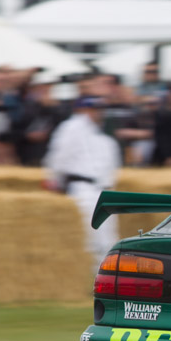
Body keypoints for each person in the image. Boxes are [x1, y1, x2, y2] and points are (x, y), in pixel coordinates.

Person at [42, 97, 122, 270]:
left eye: (100, 109)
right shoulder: (72, 127)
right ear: (83, 110)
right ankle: (92, 278)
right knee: (90, 236)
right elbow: (59, 156)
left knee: (107, 239)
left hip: (104, 190)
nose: (98, 113)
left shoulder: (102, 136)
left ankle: (103, 279)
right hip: (83, 187)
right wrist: (54, 180)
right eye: (93, 109)